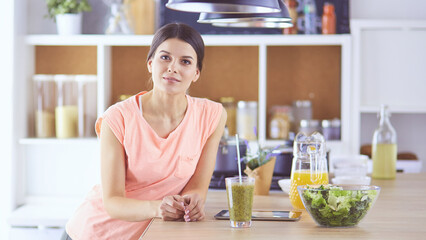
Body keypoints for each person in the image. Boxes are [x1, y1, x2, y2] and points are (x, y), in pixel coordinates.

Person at [62, 23, 227, 240]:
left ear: (196, 73)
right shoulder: (117, 118)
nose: (173, 68)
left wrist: (193, 202)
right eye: (165, 57)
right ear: (150, 63)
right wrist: (158, 208)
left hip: (148, 234)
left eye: (185, 61)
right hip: (96, 233)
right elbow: (112, 202)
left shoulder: (212, 115)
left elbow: (197, 184)